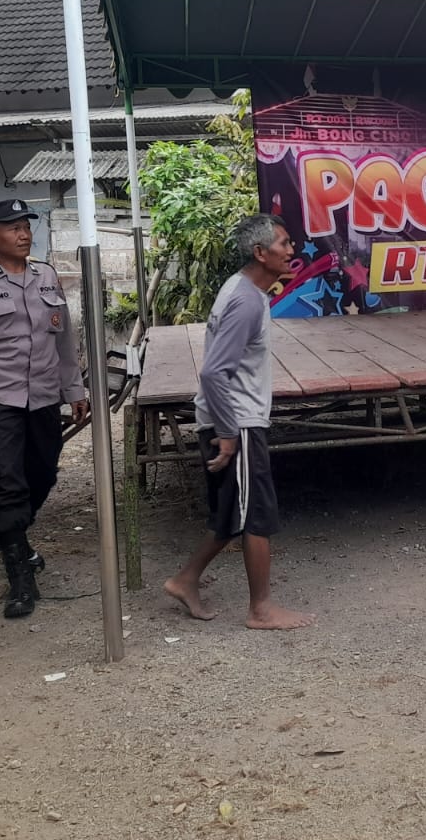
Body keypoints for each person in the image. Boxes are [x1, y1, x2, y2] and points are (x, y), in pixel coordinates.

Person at [165, 214, 316, 631]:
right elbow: (215, 373)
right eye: (284, 243)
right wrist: (229, 433)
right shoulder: (246, 300)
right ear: (260, 252)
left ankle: (185, 580)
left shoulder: (242, 289)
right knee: (256, 515)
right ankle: (260, 609)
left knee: (232, 511)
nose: (291, 250)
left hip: (232, 418)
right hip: (238, 422)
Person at [0, 199, 90, 618]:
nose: (24, 234)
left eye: (26, 226)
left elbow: (64, 340)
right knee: (5, 484)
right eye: (13, 228)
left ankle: (10, 532)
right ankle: (21, 579)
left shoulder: (46, 277)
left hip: (43, 397)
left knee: (42, 475)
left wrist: (75, 389)